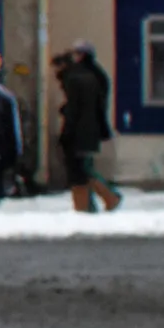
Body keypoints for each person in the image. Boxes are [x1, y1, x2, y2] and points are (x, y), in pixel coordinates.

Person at [52, 41, 113, 213]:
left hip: (79, 131)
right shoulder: (94, 74)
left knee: (79, 170)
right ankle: (90, 203)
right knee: (83, 167)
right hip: (90, 129)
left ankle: (99, 200)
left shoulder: (75, 78)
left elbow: (75, 109)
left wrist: (66, 133)